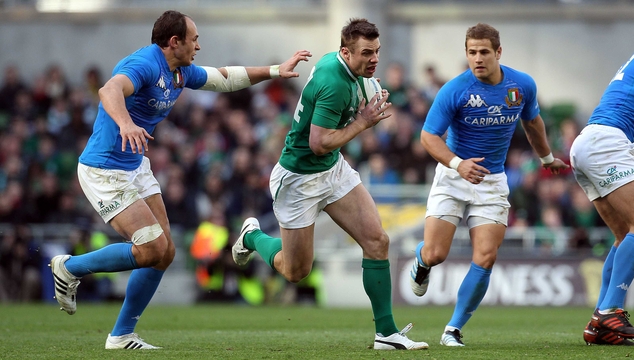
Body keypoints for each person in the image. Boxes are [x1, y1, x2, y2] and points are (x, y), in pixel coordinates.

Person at [48, 9, 311, 350]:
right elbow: (109, 90)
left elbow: (224, 78)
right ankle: (70, 268)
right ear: (174, 42)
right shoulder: (145, 63)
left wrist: (275, 71)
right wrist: (126, 124)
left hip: (133, 166)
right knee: (151, 248)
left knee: (165, 253)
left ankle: (121, 335)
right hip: (104, 169)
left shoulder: (180, 71)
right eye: (194, 39)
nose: (198, 46)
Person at [232, 18, 429, 351]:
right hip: (298, 179)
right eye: (367, 53)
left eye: (377, 51)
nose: (374, 59)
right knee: (295, 271)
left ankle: (386, 333)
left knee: (377, 240)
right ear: (346, 52)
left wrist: (368, 89)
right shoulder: (333, 82)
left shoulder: (345, 68)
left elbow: (329, 146)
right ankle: (252, 236)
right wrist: (363, 122)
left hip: (332, 170)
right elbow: (318, 143)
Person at [408, 23, 569, 347]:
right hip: (454, 176)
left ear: (498, 52)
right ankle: (422, 262)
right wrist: (457, 163)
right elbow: (428, 136)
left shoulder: (520, 85)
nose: (477, 58)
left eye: (483, 52)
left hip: (492, 181)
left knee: (486, 256)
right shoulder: (455, 90)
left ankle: (453, 329)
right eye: (471, 52)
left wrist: (547, 157)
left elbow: (532, 122)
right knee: (437, 253)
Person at [571, 49, 634, 346]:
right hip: (607, 143)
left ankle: (599, 325)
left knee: (624, 234)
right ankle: (610, 311)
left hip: (590, 141)